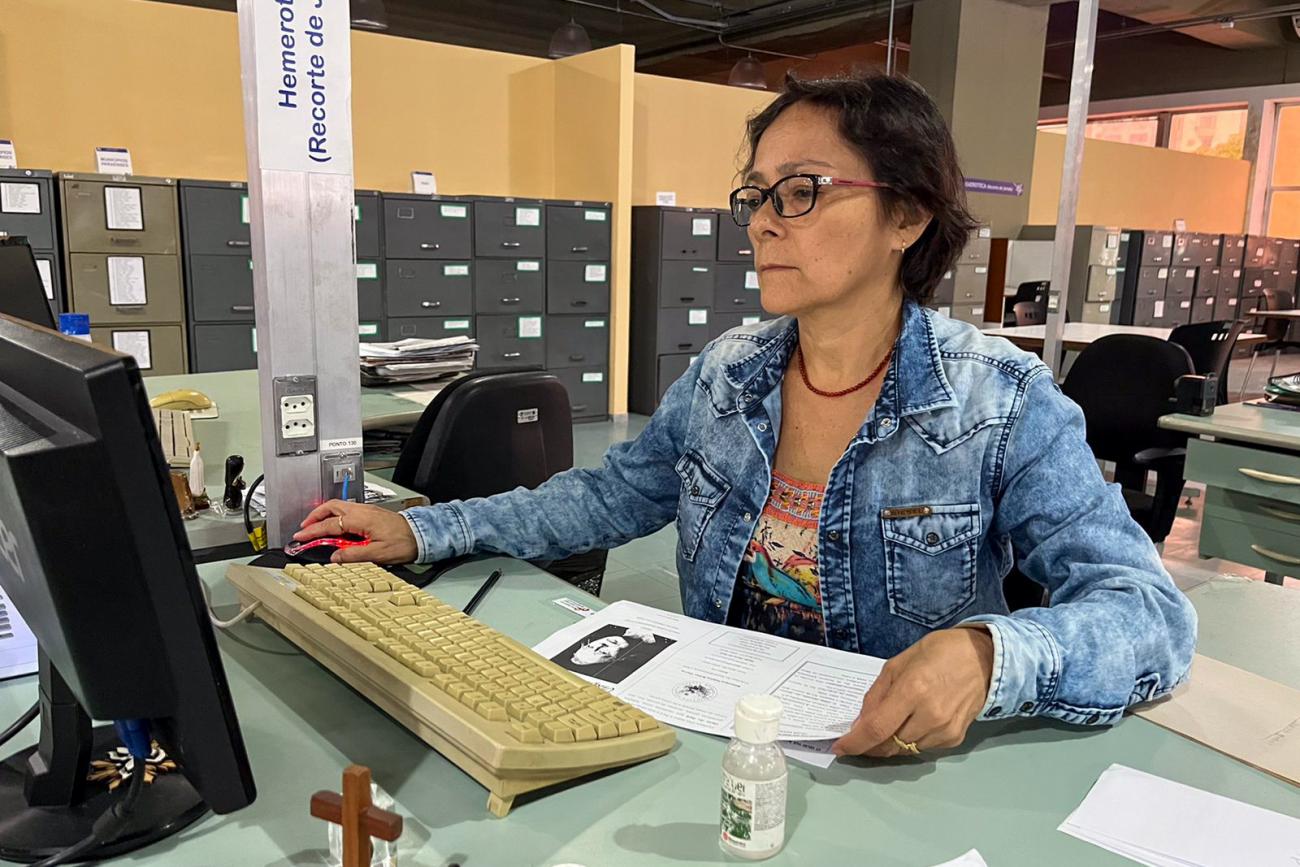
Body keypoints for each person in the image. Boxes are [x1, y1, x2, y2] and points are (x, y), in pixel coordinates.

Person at [294, 72, 1196, 760]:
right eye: (757, 195)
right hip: (724, 751)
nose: (763, 222)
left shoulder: (1001, 402)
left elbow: (1149, 612)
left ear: (908, 216)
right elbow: (605, 497)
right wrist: (426, 529)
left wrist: (987, 655)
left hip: (894, 775)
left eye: (801, 190)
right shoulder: (728, 374)